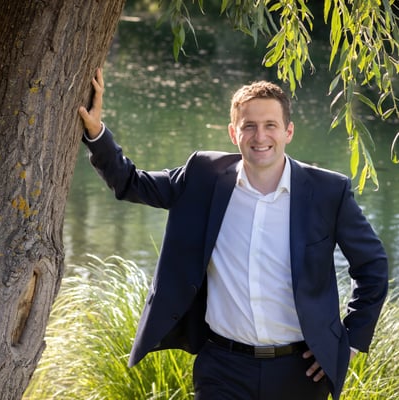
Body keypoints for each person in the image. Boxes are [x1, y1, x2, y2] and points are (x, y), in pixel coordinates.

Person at [78, 68, 388, 400]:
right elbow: (132, 183)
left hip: (300, 371)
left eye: (270, 125)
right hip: (223, 368)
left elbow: (372, 266)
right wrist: (96, 132)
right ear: (232, 132)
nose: (260, 136)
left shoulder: (328, 191)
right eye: (249, 126)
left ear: (288, 132)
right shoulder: (203, 176)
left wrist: (350, 342)